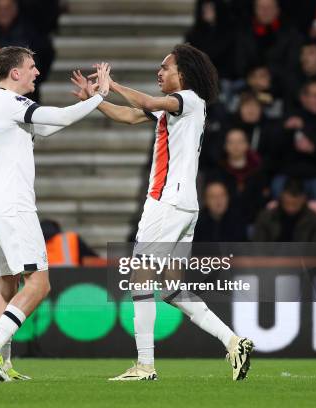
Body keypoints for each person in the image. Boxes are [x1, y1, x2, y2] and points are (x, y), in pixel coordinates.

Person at [72, 44, 253, 381]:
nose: (159, 72)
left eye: (165, 68)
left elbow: (149, 102)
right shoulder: (177, 108)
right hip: (183, 206)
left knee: (139, 277)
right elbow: (128, 115)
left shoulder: (187, 99)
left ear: (182, 75)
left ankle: (145, 365)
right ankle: (233, 341)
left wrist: (112, 86)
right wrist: (94, 100)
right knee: (170, 288)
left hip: (167, 203)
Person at [0, 46, 110, 381]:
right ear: (15, 72)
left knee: (6, 286)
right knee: (39, 283)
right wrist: (100, 96)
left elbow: (44, 128)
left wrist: (84, 105)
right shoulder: (12, 102)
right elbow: (58, 118)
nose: (36, 72)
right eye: (32, 67)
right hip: (11, 206)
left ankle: (1, 365)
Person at [252, 178, 316, 242]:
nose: (291, 208)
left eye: (295, 204)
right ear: (282, 197)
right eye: (287, 203)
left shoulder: (315, 220)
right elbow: (258, 245)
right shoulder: (266, 217)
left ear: (303, 199)